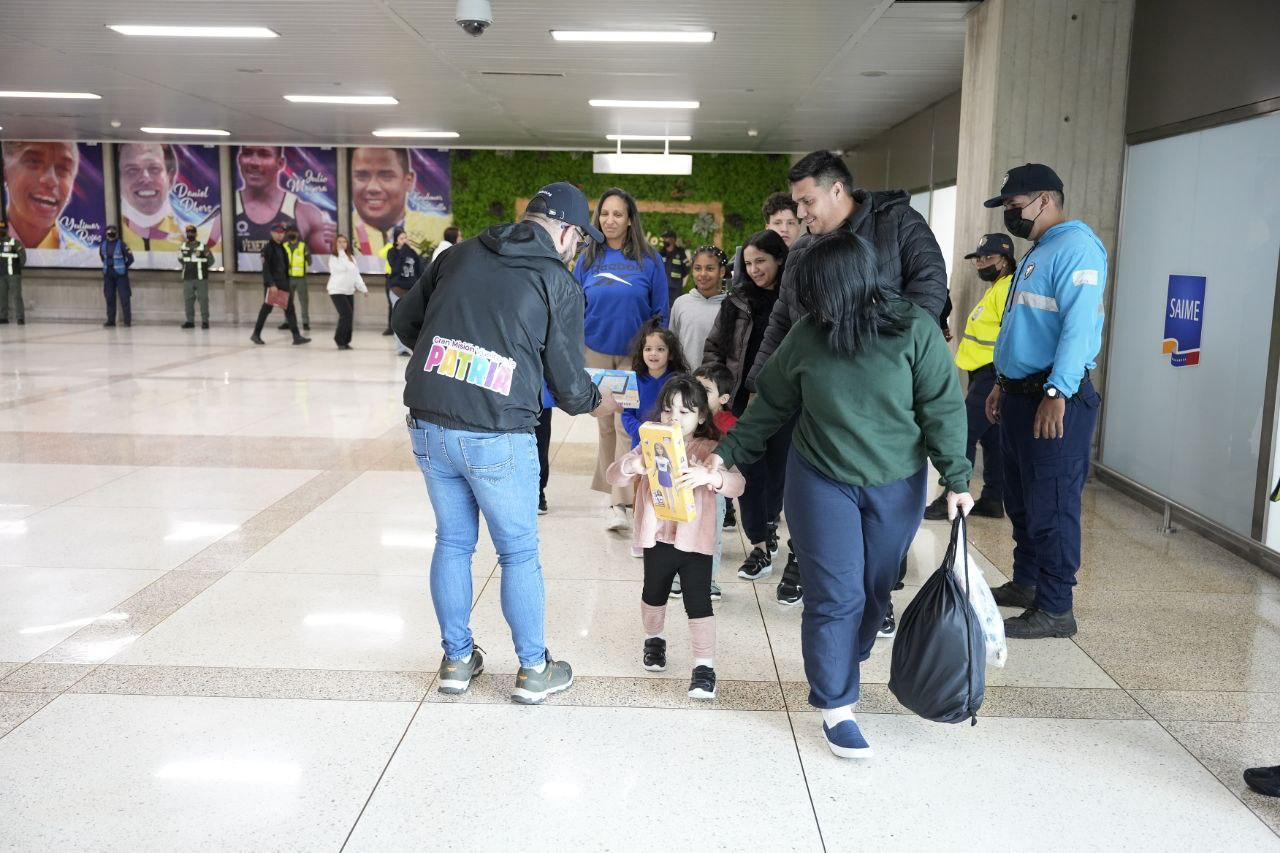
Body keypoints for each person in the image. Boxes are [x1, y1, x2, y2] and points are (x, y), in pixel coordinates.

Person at [715, 231, 972, 758]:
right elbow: (770, 404)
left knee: (874, 591)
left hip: (895, 481)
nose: (807, 304)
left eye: (814, 292)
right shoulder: (810, 334)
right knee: (836, 594)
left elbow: (942, 407)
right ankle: (836, 704)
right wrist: (726, 454)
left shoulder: (913, 330)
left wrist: (957, 478)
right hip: (820, 478)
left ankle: (845, 656)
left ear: (846, 285)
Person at [392, 181, 619, 705]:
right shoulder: (556, 279)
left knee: (453, 542)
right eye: (579, 239)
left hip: (429, 420)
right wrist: (598, 402)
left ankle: (456, 660)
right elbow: (569, 385)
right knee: (517, 552)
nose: (576, 248)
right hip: (497, 430)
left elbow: (405, 322)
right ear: (566, 230)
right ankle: (534, 668)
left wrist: (457, 356)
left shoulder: (459, 254)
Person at [749, 149, 949, 610]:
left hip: (883, 395)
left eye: (807, 202)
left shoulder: (899, 225)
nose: (800, 214)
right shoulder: (804, 249)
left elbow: (929, 290)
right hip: (820, 392)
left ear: (837, 189)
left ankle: (880, 591)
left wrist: (886, 354)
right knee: (818, 481)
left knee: (881, 505)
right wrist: (760, 382)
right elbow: (783, 319)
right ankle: (806, 558)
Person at [983, 163, 1107, 640]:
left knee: (1052, 505)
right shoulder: (1043, 247)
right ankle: (1028, 582)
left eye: (1014, 206)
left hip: (1054, 400)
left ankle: (1056, 608)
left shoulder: (1077, 248)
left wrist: (1057, 391)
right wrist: (1001, 382)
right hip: (1019, 396)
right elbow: (1022, 327)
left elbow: (1078, 329)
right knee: (1021, 499)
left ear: (1045, 200)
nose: (1010, 215)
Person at [607, 375, 745, 700]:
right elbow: (614, 475)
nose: (674, 418)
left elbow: (738, 485)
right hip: (657, 539)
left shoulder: (711, 450)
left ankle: (704, 668)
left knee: (699, 603)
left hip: (696, 542)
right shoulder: (649, 444)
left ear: (701, 416)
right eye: (668, 410)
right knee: (653, 594)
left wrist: (711, 476)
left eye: (685, 412)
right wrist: (634, 464)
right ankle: (653, 639)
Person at [574, 188, 669, 533]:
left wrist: (656, 353)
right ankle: (615, 494)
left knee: (623, 423)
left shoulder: (649, 259)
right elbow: (574, 305)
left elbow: (661, 309)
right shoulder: (587, 259)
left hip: (635, 353)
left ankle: (619, 502)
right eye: (604, 213)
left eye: (617, 214)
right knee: (603, 424)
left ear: (630, 219)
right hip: (595, 350)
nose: (610, 220)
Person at [703, 230, 790, 586]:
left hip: (785, 402)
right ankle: (759, 544)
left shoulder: (794, 299)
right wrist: (713, 388)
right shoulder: (736, 301)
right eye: (749, 263)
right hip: (742, 401)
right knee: (750, 472)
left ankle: (770, 524)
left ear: (780, 260)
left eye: (761, 261)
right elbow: (715, 347)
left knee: (779, 471)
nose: (754, 270)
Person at [924, 233, 1016, 521]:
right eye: (978, 259)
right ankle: (993, 498)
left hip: (992, 373)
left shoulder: (1007, 288)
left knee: (961, 432)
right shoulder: (996, 288)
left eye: (988, 258)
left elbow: (1013, 333)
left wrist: (1001, 377)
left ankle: (952, 495)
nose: (981, 263)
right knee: (992, 437)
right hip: (982, 373)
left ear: (1005, 260)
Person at [234, 146, 335, 260]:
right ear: (239, 159)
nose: (254, 162)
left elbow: (329, 265)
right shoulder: (223, 214)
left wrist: (337, 244)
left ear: (280, 163)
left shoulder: (307, 214)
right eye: (247, 153)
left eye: (264, 155)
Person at [695, 362, 739, 597]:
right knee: (680, 533)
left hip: (714, 493)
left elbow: (735, 457)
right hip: (688, 488)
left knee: (711, 537)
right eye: (695, 387)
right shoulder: (688, 415)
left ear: (723, 398)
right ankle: (679, 578)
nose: (698, 394)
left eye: (706, 390)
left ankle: (708, 581)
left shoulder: (729, 424)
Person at [351, 147, 438, 261]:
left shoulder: (435, 227)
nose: (373, 188)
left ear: (409, 181)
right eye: (362, 176)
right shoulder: (342, 232)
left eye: (386, 176)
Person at [2, 142, 85, 252]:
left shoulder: (83, 257)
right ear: (4, 170)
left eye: (63, 168)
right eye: (34, 161)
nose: (51, 180)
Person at [621, 322, 690, 452]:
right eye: (648, 349)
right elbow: (627, 414)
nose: (653, 353)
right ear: (641, 352)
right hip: (641, 444)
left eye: (660, 349)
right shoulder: (634, 381)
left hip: (671, 443)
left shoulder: (679, 381)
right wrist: (643, 432)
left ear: (671, 354)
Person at [119, 143, 193, 253]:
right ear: (118, 179)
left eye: (154, 169)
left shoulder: (203, 238)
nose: (145, 178)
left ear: (170, 178)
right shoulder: (98, 243)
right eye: (132, 170)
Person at [250, 222, 309, 346]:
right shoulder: (268, 248)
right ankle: (256, 334)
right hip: (273, 286)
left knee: (289, 309)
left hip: (283, 284)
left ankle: (296, 336)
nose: (279, 235)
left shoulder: (282, 248)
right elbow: (266, 269)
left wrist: (286, 282)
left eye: (282, 233)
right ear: (271, 233)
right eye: (277, 233)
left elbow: (284, 267)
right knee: (266, 309)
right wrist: (271, 285)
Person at [670, 244, 728, 367]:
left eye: (710, 269)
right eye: (697, 268)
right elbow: (672, 344)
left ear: (722, 271)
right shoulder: (681, 303)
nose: (703, 274)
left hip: (718, 377)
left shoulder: (730, 306)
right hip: (685, 377)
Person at [326, 234, 367, 350]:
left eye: (344, 242)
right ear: (335, 244)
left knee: (349, 316)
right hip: (336, 290)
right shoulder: (334, 258)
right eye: (339, 242)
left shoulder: (351, 258)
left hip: (349, 291)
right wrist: (341, 253)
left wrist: (363, 288)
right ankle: (339, 340)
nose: (342, 244)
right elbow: (343, 268)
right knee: (346, 314)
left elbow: (356, 274)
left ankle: (346, 341)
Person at [385, 228, 423, 357]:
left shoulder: (412, 252)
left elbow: (419, 270)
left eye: (405, 237)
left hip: (411, 290)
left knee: (410, 319)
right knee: (399, 317)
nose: (404, 240)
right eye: (401, 238)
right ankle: (401, 348)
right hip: (397, 289)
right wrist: (404, 250)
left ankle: (411, 346)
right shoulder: (392, 252)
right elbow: (395, 267)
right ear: (396, 240)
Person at [178, 225, 215, 329]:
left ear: (196, 233)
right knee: (188, 300)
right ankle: (190, 321)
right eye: (188, 232)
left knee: (203, 300)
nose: (190, 234)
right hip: (187, 277)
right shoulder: (182, 246)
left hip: (201, 278)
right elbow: (180, 259)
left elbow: (211, 261)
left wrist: (202, 267)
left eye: (192, 232)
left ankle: (205, 321)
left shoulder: (203, 247)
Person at [99, 225, 134, 328]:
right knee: (109, 297)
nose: (111, 234)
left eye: (112, 232)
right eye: (109, 233)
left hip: (120, 274)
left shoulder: (122, 244)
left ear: (116, 234)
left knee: (124, 297)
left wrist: (124, 267)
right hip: (108, 274)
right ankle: (111, 321)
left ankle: (127, 321)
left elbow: (131, 258)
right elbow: (102, 257)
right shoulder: (103, 245)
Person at [280, 225, 312, 331]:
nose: (291, 234)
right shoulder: (284, 246)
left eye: (293, 232)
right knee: (286, 301)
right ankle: (287, 322)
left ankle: (305, 322)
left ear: (298, 234)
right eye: (289, 232)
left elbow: (310, 261)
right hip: (287, 278)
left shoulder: (303, 246)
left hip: (300, 278)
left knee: (304, 301)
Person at [0, 222, 27, 325]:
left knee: (16, 296)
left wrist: (17, 268)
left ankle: (20, 317)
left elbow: (23, 258)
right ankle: (3, 317)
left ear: (6, 230)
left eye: (2, 230)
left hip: (13, 275)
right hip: (1, 275)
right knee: (2, 296)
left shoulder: (14, 243)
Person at [658, 229, 691, 312]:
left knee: (676, 309)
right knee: (663, 309)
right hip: (663, 286)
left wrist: (678, 277)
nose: (664, 240)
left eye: (666, 238)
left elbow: (687, 268)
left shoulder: (680, 253)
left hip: (676, 287)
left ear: (673, 239)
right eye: (663, 238)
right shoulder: (661, 253)